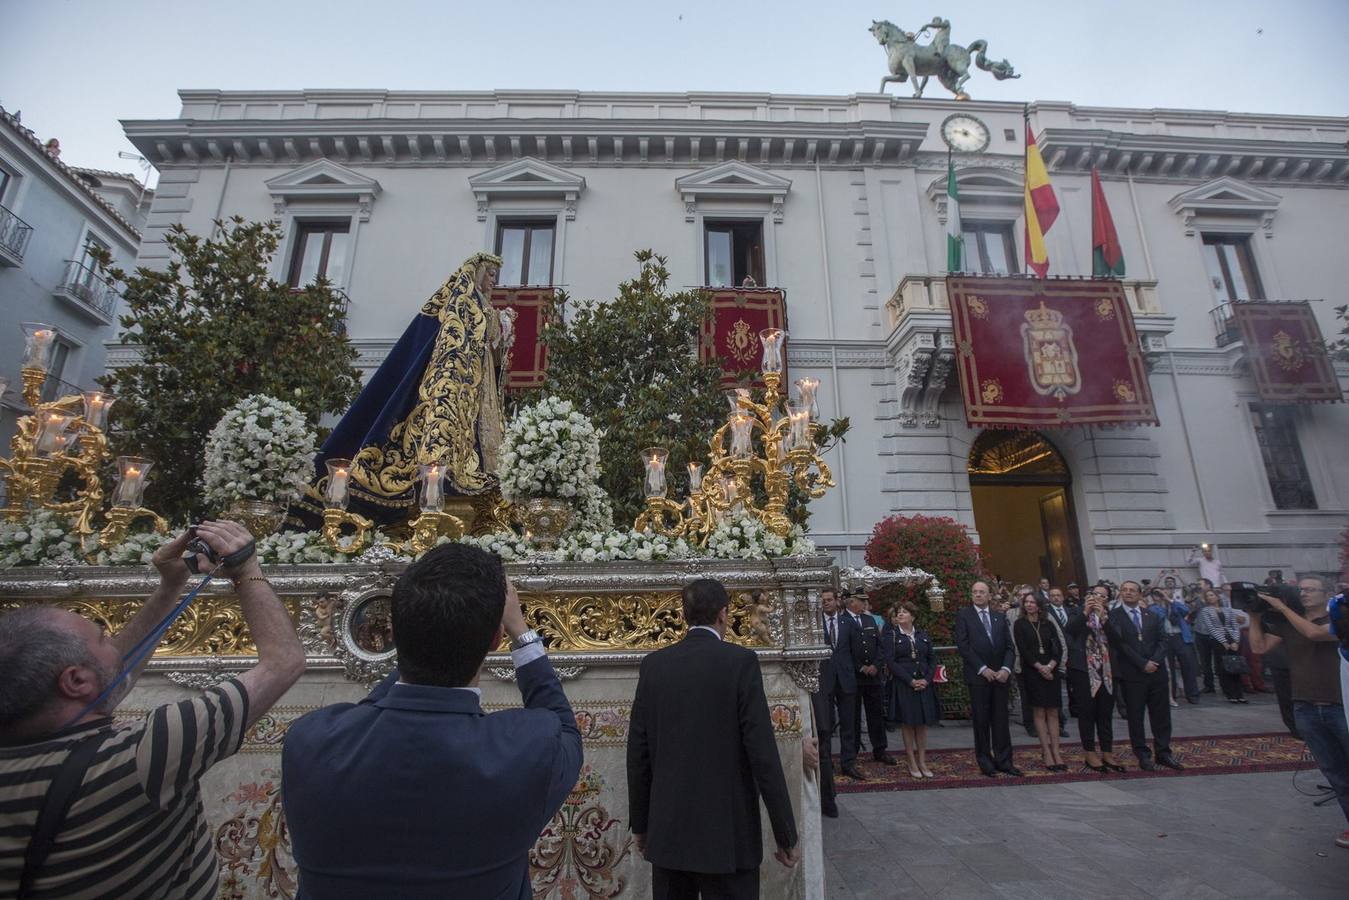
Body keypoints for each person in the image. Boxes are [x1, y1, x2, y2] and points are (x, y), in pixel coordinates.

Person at [0, 522, 305, 899]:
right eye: (101, 638)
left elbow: (110, 680)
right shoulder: (143, 756)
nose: (112, 642)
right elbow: (283, 661)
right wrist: (246, 570)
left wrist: (170, 586)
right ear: (75, 682)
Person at [282, 544, 582, 898]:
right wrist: (523, 633)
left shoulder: (311, 740)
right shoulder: (527, 750)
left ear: (394, 631)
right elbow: (564, 728)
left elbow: (372, 706)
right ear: (495, 639)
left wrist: (423, 633)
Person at [296, 252, 515, 527]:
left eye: (495, 275)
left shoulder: (484, 308)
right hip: (456, 389)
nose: (493, 280)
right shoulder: (463, 302)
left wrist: (502, 332)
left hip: (479, 393)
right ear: (477, 273)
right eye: (490, 273)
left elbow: (490, 350)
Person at [628, 578, 799, 898]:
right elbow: (762, 753)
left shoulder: (654, 665)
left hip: (669, 832)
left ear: (684, 614)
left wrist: (641, 823)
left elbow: (638, 752)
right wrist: (785, 833)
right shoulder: (740, 662)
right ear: (723, 614)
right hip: (728, 835)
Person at [1248, 576, 1349, 850]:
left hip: (1341, 705)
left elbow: (1314, 634)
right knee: (1333, 770)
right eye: (1301, 589)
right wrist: (1254, 616)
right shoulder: (1290, 621)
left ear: (1327, 593)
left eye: (1310, 590)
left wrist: (1282, 608)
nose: (1303, 594)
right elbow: (1258, 648)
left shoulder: (1341, 618)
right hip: (1305, 704)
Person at [1106, 580, 1183, 772]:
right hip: (1133, 673)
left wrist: (1154, 662)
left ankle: (1164, 752)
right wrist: (1142, 663)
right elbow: (1120, 644)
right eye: (1124, 590)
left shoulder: (1152, 615)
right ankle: (1142, 754)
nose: (1128, 593)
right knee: (1136, 716)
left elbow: (1163, 640)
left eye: (1132, 590)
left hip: (1156, 673)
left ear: (1140, 594)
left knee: (1161, 715)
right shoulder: (1114, 616)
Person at [955, 580, 1022, 777]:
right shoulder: (964, 616)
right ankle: (986, 762)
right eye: (975, 592)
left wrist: (1005, 669)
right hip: (979, 678)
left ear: (989, 595)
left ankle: (1005, 761)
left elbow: (1009, 647)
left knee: (1001, 721)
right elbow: (963, 645)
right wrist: (982, 669)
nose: (978, 595)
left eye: (982, 592)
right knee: (982, 722)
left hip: (1000, 678)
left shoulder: (999, 617)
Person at [1065, 586, 1124, 773]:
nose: (1097, 598)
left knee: (1105, 713)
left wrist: (1104, 619)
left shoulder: (1113, 616)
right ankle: (1089, 751)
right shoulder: (1076, 612)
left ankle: (1107, 751)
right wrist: (1085, 613)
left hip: (1107, 671)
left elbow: (1118, 640)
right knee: (1087, 713)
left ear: (1107, 600)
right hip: (1084, 671)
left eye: (1102, 596)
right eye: (1093, 595)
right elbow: (1070, 631)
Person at [883, 602, 940, 778]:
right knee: (908, 723)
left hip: (924, 683)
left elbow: (932, 659)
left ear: (913, 616)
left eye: (905, 612)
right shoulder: (892, 636)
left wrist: (927, 679)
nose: (900, 614)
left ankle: (922, 760)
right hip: (904, 684)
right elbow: (891, 662)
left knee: (922, 724)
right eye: (899, 612)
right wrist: (910, 680)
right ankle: (911, 759)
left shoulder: (922, 635)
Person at [1012, 594, 1068, 771]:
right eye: (1026, 602)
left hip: (1051, 672)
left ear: (1039, 606)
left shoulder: (1048, 624)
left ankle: (1056, 751)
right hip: (1033, 672)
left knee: (1052, 712)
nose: (1029, 605)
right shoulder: (1019, 624)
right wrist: (1040, 668)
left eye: (1032, 602)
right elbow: (1023, 649)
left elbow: (1057, 647)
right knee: (1039, 712)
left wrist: (1051, 665)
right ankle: (1046, 751)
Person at [844, 591, 897, 767]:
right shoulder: (843, 620)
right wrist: (860, 666)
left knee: (876, 714)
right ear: (852, 602)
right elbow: (845, 649)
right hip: (854, 676)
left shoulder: (869, 620)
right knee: (853, 716)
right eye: (861, 601)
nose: (865, 604)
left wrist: (876, 664)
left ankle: (880, 749)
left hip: (873, 677)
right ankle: (852, 752)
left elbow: (879, 646)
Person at [812, 588, 850, 811]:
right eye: (822, 600)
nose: (825, 603)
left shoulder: (844, 623)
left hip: (833, 683)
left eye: (828, 600)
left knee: (826, 738)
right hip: (819, 687)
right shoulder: (814, 623)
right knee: (822, 741)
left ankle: (828, 798)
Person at [1195, 589, 1245, 703]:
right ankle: (1230, 693)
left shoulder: (1227, 610)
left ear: (1217, 596)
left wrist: (1235, 641)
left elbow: (1234, 625)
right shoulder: (1205, 611)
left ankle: (1239, 693)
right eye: (1208, 596)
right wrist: (1224, 642)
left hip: (1232, 638)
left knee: (1236, 665)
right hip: (1218, 640)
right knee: (1223, 666)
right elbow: (1211, 628)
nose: (1210, 597)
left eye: (1212, 595)